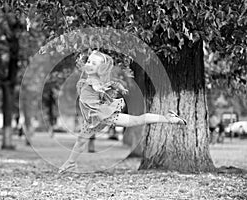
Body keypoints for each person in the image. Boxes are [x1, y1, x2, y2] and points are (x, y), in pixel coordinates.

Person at [58, 50, 187, 173]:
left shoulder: (94, 81)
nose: (89, 64)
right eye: (89, 61)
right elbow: (90, 73)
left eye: (94, 63)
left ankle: (168, 118)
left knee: (137, 120)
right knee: (81, 140)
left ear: (101, 69)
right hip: (93, 118)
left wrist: (101, 88)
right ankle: (71, 162)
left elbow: (97, 86)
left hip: (103, 116)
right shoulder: (89, 77)